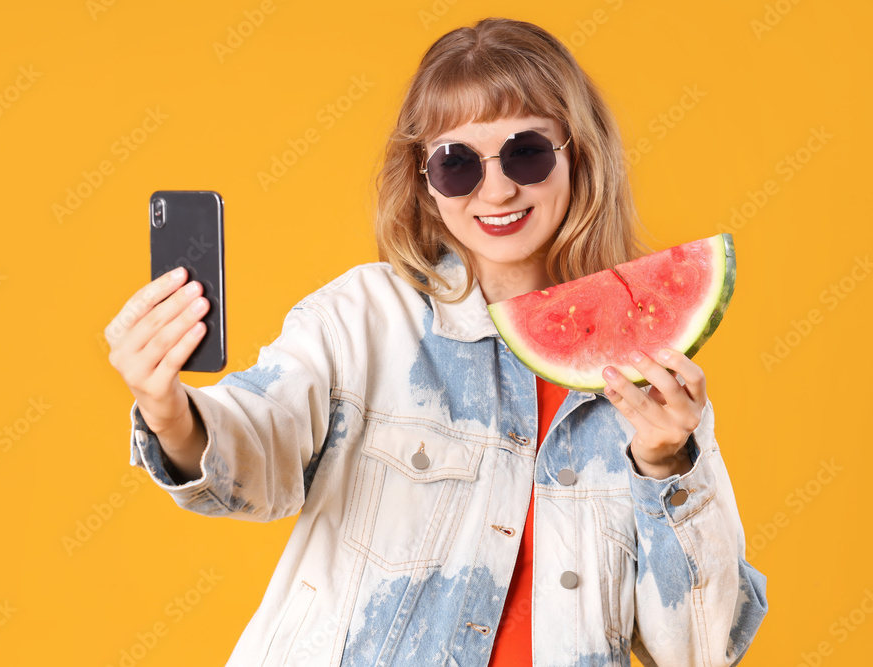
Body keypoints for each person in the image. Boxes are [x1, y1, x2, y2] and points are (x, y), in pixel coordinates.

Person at [105, 17, 768, 666]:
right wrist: (169, 411)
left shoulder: (652, 385)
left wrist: (666, 464)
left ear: (579, 154)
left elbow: (702, 651)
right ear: (424, 179)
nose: (499, 188)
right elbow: (256, 447)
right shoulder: (363, 318)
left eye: (527, 152)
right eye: (457, 164)